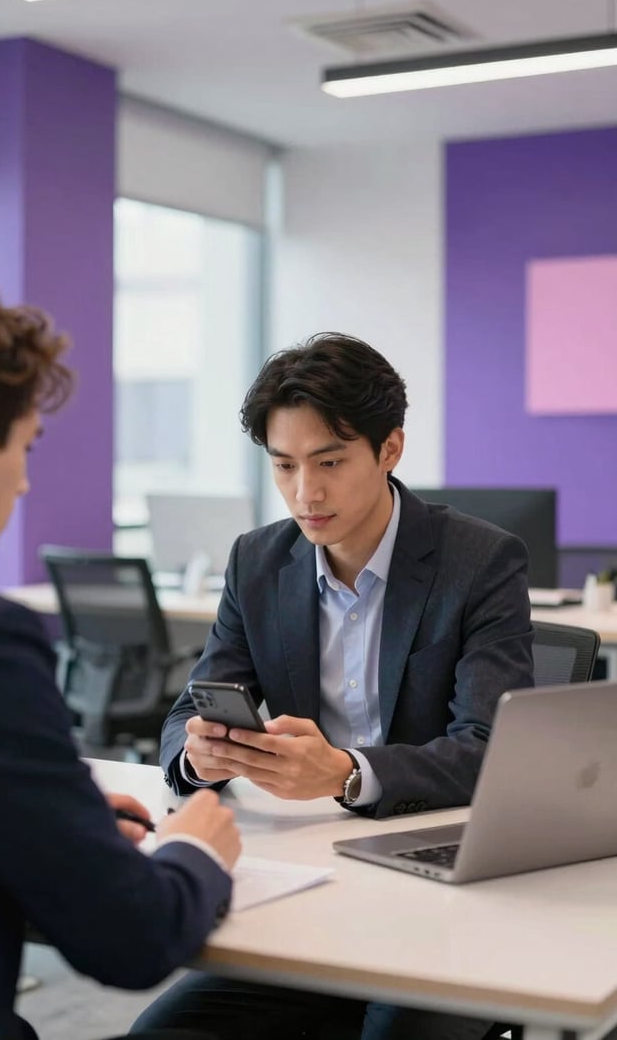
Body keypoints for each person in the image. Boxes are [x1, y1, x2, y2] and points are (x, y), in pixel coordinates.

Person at [0, 275, 241, 1040]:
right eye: (23, 446)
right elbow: (131, 938)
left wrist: (50, 819)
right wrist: (196, 850)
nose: (25, 479)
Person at [135, 331, 534, 1040]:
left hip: (437, 889)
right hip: (304, 884)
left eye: (329, 462)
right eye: (283, 465)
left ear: (389, 450)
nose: (304, 492)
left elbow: (491, 750)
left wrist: (349, 773)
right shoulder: (258, 559)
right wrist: (203, 755)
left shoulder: (479, 561)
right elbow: (184, 714)